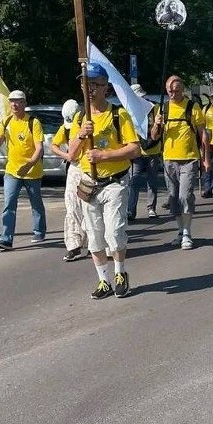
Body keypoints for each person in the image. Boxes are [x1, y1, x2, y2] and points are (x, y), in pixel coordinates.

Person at [67, 62, 142, 299]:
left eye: (93, 84)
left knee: (114, 233)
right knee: (95, 235)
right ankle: (103, 281)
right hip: (89, 184)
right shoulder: (80, 117)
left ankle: (120, 273)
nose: (88, 89)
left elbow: (135, 149)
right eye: (84, 83)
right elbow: (71, 154)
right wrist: (81, 134)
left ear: (104, 87)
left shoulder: (119, 115)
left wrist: (105, 155)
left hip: (114, 183)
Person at [151, 75, 210, 249]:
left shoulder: (193, 107)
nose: (173, 94)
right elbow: (154, 137)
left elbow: (203, 135)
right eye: (170, 91)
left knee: (185, 196)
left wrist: (206, 159)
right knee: (174, 198)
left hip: (189, 159)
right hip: (169, 159)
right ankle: (180, 230)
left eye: (176, 91)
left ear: (182, 90)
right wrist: (156, 124)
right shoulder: (163, 108)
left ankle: (187, 233)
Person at [0, 90, 47, 250]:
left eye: (18, 101)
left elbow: (39, 149)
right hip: (12, 171)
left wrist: (28, 165)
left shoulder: (33, 122)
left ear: (24, 104)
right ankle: (6, 238)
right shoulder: (6, 122)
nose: (14, 104)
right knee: (9, 204)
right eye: (12, 101)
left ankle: (39, 230)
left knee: (36, 203)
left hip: (32, 171)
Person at [50, 99, 89, 261]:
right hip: (74, 168)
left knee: (89, 207)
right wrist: (65, 156)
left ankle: (96, 243)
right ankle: (73, 245)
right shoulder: (65, 129)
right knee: (72, 206)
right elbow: (54, 145)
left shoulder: (87, 124)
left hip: (89, 168)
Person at [127, 83, 161, 221]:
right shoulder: (128, 110)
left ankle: (151, 208)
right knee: (133, 181)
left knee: (152, 181)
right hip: (136, 152)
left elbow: (159, 129)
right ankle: (131, 210)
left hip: (152, 149)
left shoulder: (155, 108)